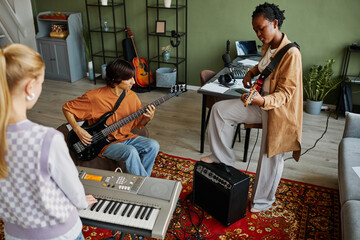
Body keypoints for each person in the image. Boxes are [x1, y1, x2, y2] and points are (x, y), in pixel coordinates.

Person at [200, 2, 303, 213]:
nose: (258, 33)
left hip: (278, 112)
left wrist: (261, 101)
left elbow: (285, 94)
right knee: (220, 111)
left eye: (261, 28)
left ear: (275, 23)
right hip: (260, 102)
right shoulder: (269, 45)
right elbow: (265, 64)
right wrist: (252, 72)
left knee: (269, 157)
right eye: (255, 29)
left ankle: (262, 201)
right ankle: (222, 157)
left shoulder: (292, 54)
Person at [0, 43, 97, 240]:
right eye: (41, 83)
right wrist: (79, 201)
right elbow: (72, 188)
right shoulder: (46, 139)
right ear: (30, 87)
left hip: (14, 235)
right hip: (60, 234)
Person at [63, 59, 159, 177]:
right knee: (131, 152)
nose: (133, 82)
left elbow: (138, 124)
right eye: (129, 79)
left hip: (125, 137)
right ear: (116, 79)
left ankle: (141, 183)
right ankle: (144, 188)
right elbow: (67, 108)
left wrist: (148, 118)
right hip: (104, 144)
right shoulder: (94, 97)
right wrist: (78, 130)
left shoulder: (132, 96)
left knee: (153, 145)